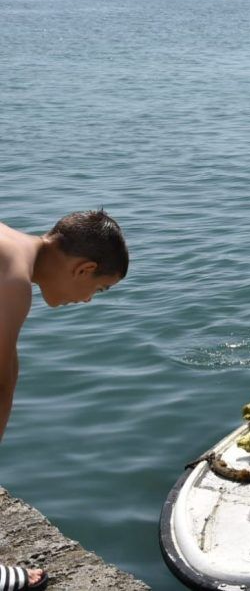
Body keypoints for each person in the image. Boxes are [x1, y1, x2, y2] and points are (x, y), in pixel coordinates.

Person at [1, 210, 128, 590]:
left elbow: (8, 364)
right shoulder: (12, 282)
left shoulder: (10, 246)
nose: (88, 300)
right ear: (83, 269)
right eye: (99, 289)